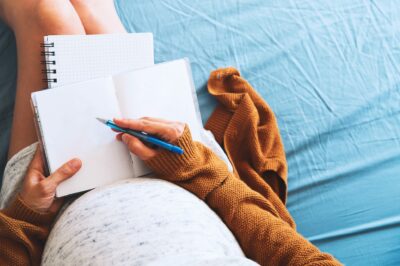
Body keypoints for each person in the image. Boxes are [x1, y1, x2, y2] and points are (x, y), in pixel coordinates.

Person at [0, 0, 342, 265]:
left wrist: (26, 219)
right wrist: (198, 169)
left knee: (48, 18)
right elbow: (296, 255)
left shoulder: (34, 212)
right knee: (93, 13)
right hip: (180, 170)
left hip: (52, 197)